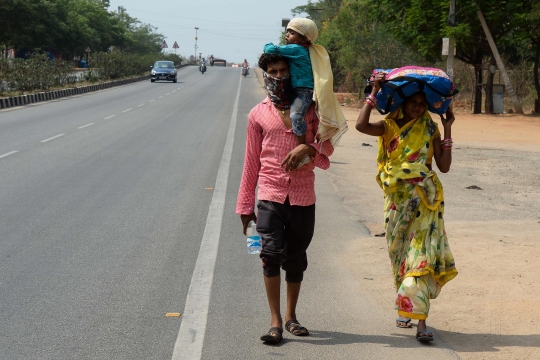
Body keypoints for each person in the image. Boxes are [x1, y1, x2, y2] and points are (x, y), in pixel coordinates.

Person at [236, 53, 334, 344]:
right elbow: (251, 162)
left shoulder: (310, 110)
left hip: (303, 195)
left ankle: (292, 317)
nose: (278, 76)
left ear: (293, 74)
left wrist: (310, 149)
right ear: (266, 75)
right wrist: (245, 206)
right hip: (269, 193)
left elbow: (328, 144)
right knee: (269, 254)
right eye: (273, 71)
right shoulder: (258, 114)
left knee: (295, 257)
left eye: (283, 71)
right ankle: (275, 321)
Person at [355, 72, 458, 343]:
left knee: (420, 258)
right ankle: (405, 303)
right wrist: (373, 93)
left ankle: (422, 323)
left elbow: (444, 167)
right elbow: (361, 126)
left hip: (425, 201)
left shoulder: (429, 129)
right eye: (413, 101)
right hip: (397, 201)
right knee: (399, 254)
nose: (418, 107)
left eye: (423, 104)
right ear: (402, 102)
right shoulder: (389, 125)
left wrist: (447, 129)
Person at [264, 18, 347, 149]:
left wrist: (267, 45)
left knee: (295, 116)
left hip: (304, 91)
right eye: (288, 32)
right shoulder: (307, 50)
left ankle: (301, 147)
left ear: (303, 38)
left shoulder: (296, 49)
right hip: (298, 89)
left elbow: (270, 49)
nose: (287, 35)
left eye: (291, 32)